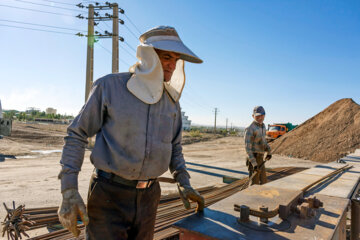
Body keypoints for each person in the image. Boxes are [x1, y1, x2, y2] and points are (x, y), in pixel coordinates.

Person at [57, 26, 205, 240]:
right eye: (166, 57)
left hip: (149, 198)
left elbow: (174, 147)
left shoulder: (171, 103)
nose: (172, 65)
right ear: (149, 56)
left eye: (176, 59)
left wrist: (184, 181)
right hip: (108, 195)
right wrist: (68, 190)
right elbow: (77, 134)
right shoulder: (109, 87)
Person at [244, 106, 272, 185]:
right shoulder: (250, 128)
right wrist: (254, 164)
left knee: (264, 182)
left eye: (262, 115)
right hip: (253, 159)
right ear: (253, 116)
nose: (260, 117)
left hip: (260, 158)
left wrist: (269, 151)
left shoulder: (263, 126)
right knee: (254, 185)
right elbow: (248, 149)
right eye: (257, 116)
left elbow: (264, 142)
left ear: (264, 115)